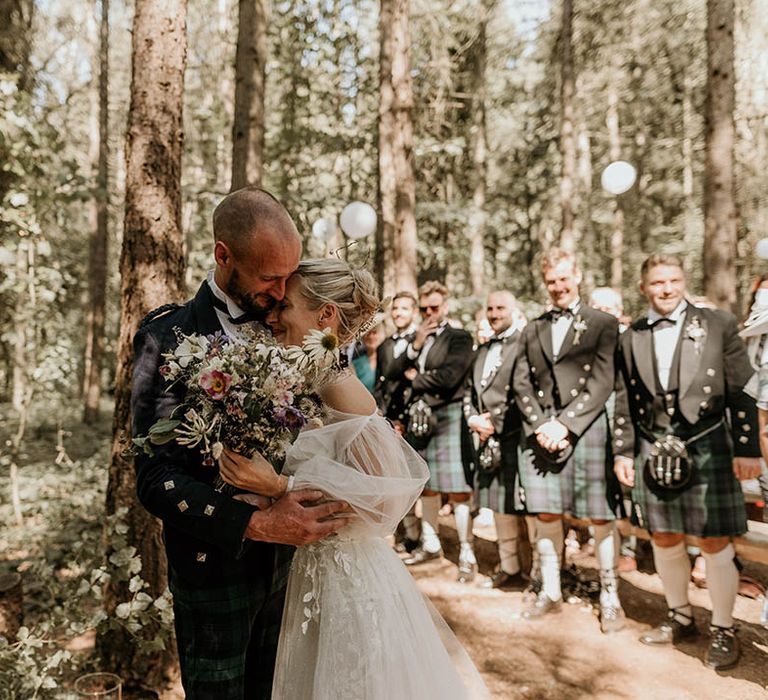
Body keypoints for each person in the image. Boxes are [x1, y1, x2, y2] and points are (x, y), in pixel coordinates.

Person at [218, 259, 488, 700]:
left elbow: (387, 496)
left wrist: (281, 488)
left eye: (283, 306)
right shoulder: (309, 379)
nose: (271, 316)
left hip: (352, 583)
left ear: (324, 316)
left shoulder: (338, 384)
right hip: (315, 572)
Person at [131, 188, 350, 700]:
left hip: (293, 568)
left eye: (287, 278)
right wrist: (257, 522)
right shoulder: (167, 335)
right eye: (269, 277)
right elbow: (154, 478)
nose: (280, 293)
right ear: (223, 255)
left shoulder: (293, 324)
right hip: (214, 571)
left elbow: (337, 430)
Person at [613, 253, 761, 670]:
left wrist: (748, 449)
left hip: (707, 443)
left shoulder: (718, 324)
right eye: (657, 282)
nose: (666, 289)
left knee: (714, 542)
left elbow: (742, 391)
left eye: (673, 280)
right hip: (653, 447)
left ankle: (723, 627)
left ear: (683, 281)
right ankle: (679, 617)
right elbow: (624, 398)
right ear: (644, 288)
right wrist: (623, 450)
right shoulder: (631, 335)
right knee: (663, 537)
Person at [513, 248, 625, 632]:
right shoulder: (533, 327)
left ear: (577, 276)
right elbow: (521, 381)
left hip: (587, 427)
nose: (558, 287)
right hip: (543, 431)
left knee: (600, 515)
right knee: (546, 513)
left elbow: (604, 381)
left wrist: (566, 424)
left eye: (564, 279)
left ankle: (610, 595)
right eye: (552, 282)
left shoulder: (603, 323)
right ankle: (552, 589)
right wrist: (542, 423)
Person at [401, 281, 477, 582]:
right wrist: (416, 346)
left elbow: (450, 377)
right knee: (427, 485)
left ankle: (467, 554)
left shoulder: (459, 337)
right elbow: (398, 371)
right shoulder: (416, 338)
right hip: (422, 416)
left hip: (448, 415)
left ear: (445, 306)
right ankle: (430, 544)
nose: (429, 313)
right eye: (424, 308)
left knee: (458, 488)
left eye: (435, 307)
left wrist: (416, 378)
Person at [463, 291, 528, 589]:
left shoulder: (524, 344)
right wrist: (473, 419)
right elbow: (469, 392)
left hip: (515, 437)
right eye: (490, 308)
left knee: (524, 507)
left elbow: (526, 392)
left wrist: (496, 421)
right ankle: (510, 568)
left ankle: (536, 574)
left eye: (501, 307)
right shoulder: (482, 349)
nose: (494, 313)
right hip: (486, 438)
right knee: (500, 505)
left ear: (514, 310)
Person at [373, 290, 420, 551]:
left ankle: (421, 538)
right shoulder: (384, 346)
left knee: (417, 479)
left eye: (404, 308)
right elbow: (382, 385)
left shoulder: (423, 341)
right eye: (395, 308)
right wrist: (385, 420)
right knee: (396, 479)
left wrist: (403, 419)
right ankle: (406, 535)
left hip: (416, 419)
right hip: (390, 422)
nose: (398, 313)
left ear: (414, 312)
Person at [351, 323, 385, 393]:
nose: (371, 337)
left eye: (374, 332)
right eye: (368, 333)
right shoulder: (356, 362)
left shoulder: (386, 357)